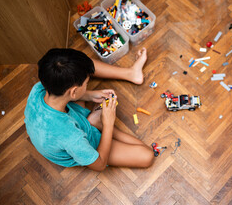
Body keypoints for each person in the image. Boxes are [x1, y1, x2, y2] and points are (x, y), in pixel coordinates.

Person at [24, 48, 154, 172]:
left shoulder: (39, 88)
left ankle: (131, 73)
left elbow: (68, 93)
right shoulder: (71, 137)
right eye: (87, 83)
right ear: (73, 92)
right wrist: (107, 123)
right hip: (79, 139)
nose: (88, 84)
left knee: (79, 65)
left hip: (66, 117)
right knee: (147, 155)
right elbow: (100, 164)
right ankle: (96, 123)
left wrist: (90, 94)